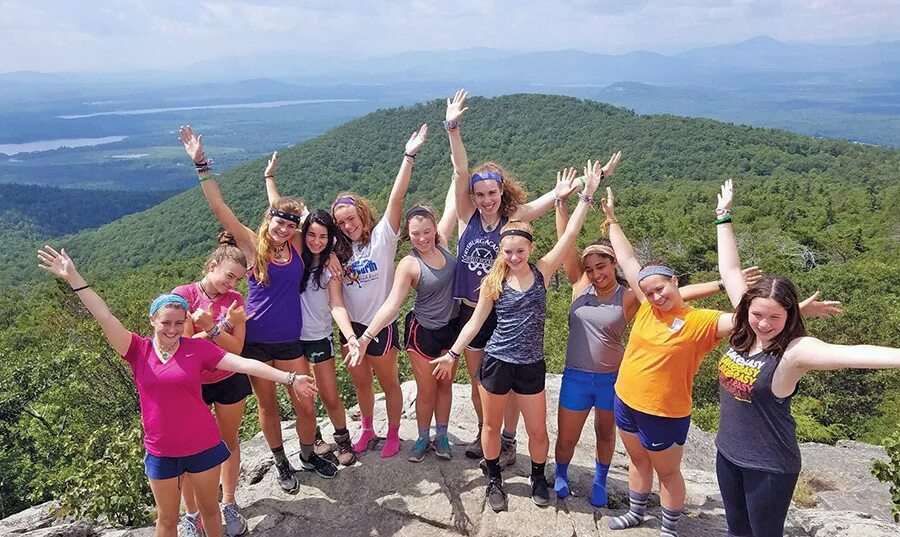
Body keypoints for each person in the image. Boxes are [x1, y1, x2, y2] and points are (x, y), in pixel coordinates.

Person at [602, 183, 835, 537]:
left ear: (675, 283)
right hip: (626, 398)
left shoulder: (701, 321)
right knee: (636, 460)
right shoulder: (648, 308)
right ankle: (635, 511)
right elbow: (628, 259)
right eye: (648, 292)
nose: (655, 296)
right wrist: (612, 221)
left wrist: (798, 311)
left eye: (661, 289)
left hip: (665, 410)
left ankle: (668, 527)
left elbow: (750, 320)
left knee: (667, 472)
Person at [36, 245, 317, 537]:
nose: (172, 329)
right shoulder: (137, 350)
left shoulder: (196, 349)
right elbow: (105, 317)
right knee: (167, 520)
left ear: (186, 323)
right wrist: (74, 279)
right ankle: (190, 517)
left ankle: (227, 504)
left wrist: (290, 377)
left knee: (211, 511)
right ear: (152, 321)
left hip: (203, 445)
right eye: (166, 323)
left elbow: (244, 363)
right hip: (161, 451)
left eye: (178, 323)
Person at [551, 169, 762, 509]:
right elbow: (566, 244)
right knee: (568, 435)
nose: (595, 272)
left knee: (606, 434)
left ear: (613, 265)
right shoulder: (579, 284)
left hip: (611, 378)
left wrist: (722, 285)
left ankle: (601, 481)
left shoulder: (630, 296)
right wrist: (563, 204)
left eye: (601, 266)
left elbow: (668, 294)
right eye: (590, 267)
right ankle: (561, 473)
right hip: (576, 374)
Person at [714, 179, 895, 537]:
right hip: (727, 454)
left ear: (791, 317)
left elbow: (850, 354)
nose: (764, 324)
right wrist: (723, 216)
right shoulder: (744, 326)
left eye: (775, 318)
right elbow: (730, 271)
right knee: (735, 531)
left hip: (769, 466)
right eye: (758, 314)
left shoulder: (794, 351)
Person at [444, 89, 613, 464]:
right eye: (480, 193)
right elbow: (459, 170)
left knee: (513, 381)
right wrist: (452, 128)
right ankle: (484, 430)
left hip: (506, 312)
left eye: (492, 192)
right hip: (472, 310)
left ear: (501, 191)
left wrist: (582, 189)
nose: (486, 199)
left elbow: (549, 201)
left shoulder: (514, 219)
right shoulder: (464, 216)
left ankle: (507, 439)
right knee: (481, 382)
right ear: (472, 196)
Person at [435, 158, 607, 512]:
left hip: (531, 364)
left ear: (530, 249)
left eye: (519, 250)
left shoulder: (542, 272)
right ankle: (494, 480)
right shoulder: (492, 282)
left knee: (538, 430)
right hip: (497, 362)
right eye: (507, 251)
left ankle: (538, 476)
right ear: (501, 250)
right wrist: (452, 353)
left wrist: (586, 196)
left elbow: (571, 235)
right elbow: (472, 323)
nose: (513, 256)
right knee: (491, 425)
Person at [180, 125, 339, 492]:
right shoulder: (253, 248)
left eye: (289, 224)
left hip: (289, 340)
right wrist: (202, 165)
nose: (284, 228)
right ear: (268, 221)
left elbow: (288, 208)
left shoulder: (297, 243)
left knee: (304, 400)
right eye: (278, 222)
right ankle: (281, 462)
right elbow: (220, 208)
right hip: (254, 340)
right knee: (267, 407)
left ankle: (307, 453)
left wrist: (271, 181)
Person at [332, 124, 429, 458]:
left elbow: (396, 196)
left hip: (381, 326)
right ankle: (368, 429)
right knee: (361, 383)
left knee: (388, 383)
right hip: (352, 328)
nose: (348, 225)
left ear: (361, 212)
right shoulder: (339, 251)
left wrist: (409, 155)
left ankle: (393, 433)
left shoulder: (382, 238)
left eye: (351, 217)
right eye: (341, 222)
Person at [263, 153, 360, 466]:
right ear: (303, 236)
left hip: (318, 337)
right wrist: (269, 180)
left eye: (324, 236)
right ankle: (314, 438)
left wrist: (350, 336)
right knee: (304, 397)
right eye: (312, 235)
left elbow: (337, 304)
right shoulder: (295, 254)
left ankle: (342, 439)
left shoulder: (331, 267)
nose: (317, 241)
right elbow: (278, 216)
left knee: (330, 393)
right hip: (290, 339)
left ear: (331, 238)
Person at [358, 192, 458, 463]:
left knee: (445, 386)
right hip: (423, 332)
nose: (422, 238)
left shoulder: (444, 245)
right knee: (427, 391)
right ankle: (423, 436)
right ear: (408, 235)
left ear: (435, 228)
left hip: (451, 329)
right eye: (415, 234)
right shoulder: (409, 264)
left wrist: (457, 169)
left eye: (427, 231)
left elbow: (452, 201)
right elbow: (392, 304)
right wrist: (367, 336)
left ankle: (443, 435)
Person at [171, 233, 253, 537]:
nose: (231, 285)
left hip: (228, 379)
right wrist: (220, 328)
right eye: (228, 276)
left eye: (237, 280)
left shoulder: (236, 300)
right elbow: (183, 347)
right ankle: (192, 515)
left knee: (227, 442)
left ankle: (228, 502)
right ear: (212, 265)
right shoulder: (183, 295)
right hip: (193, 384)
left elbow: (237, 348)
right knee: (191, 449)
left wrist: (209, 327)